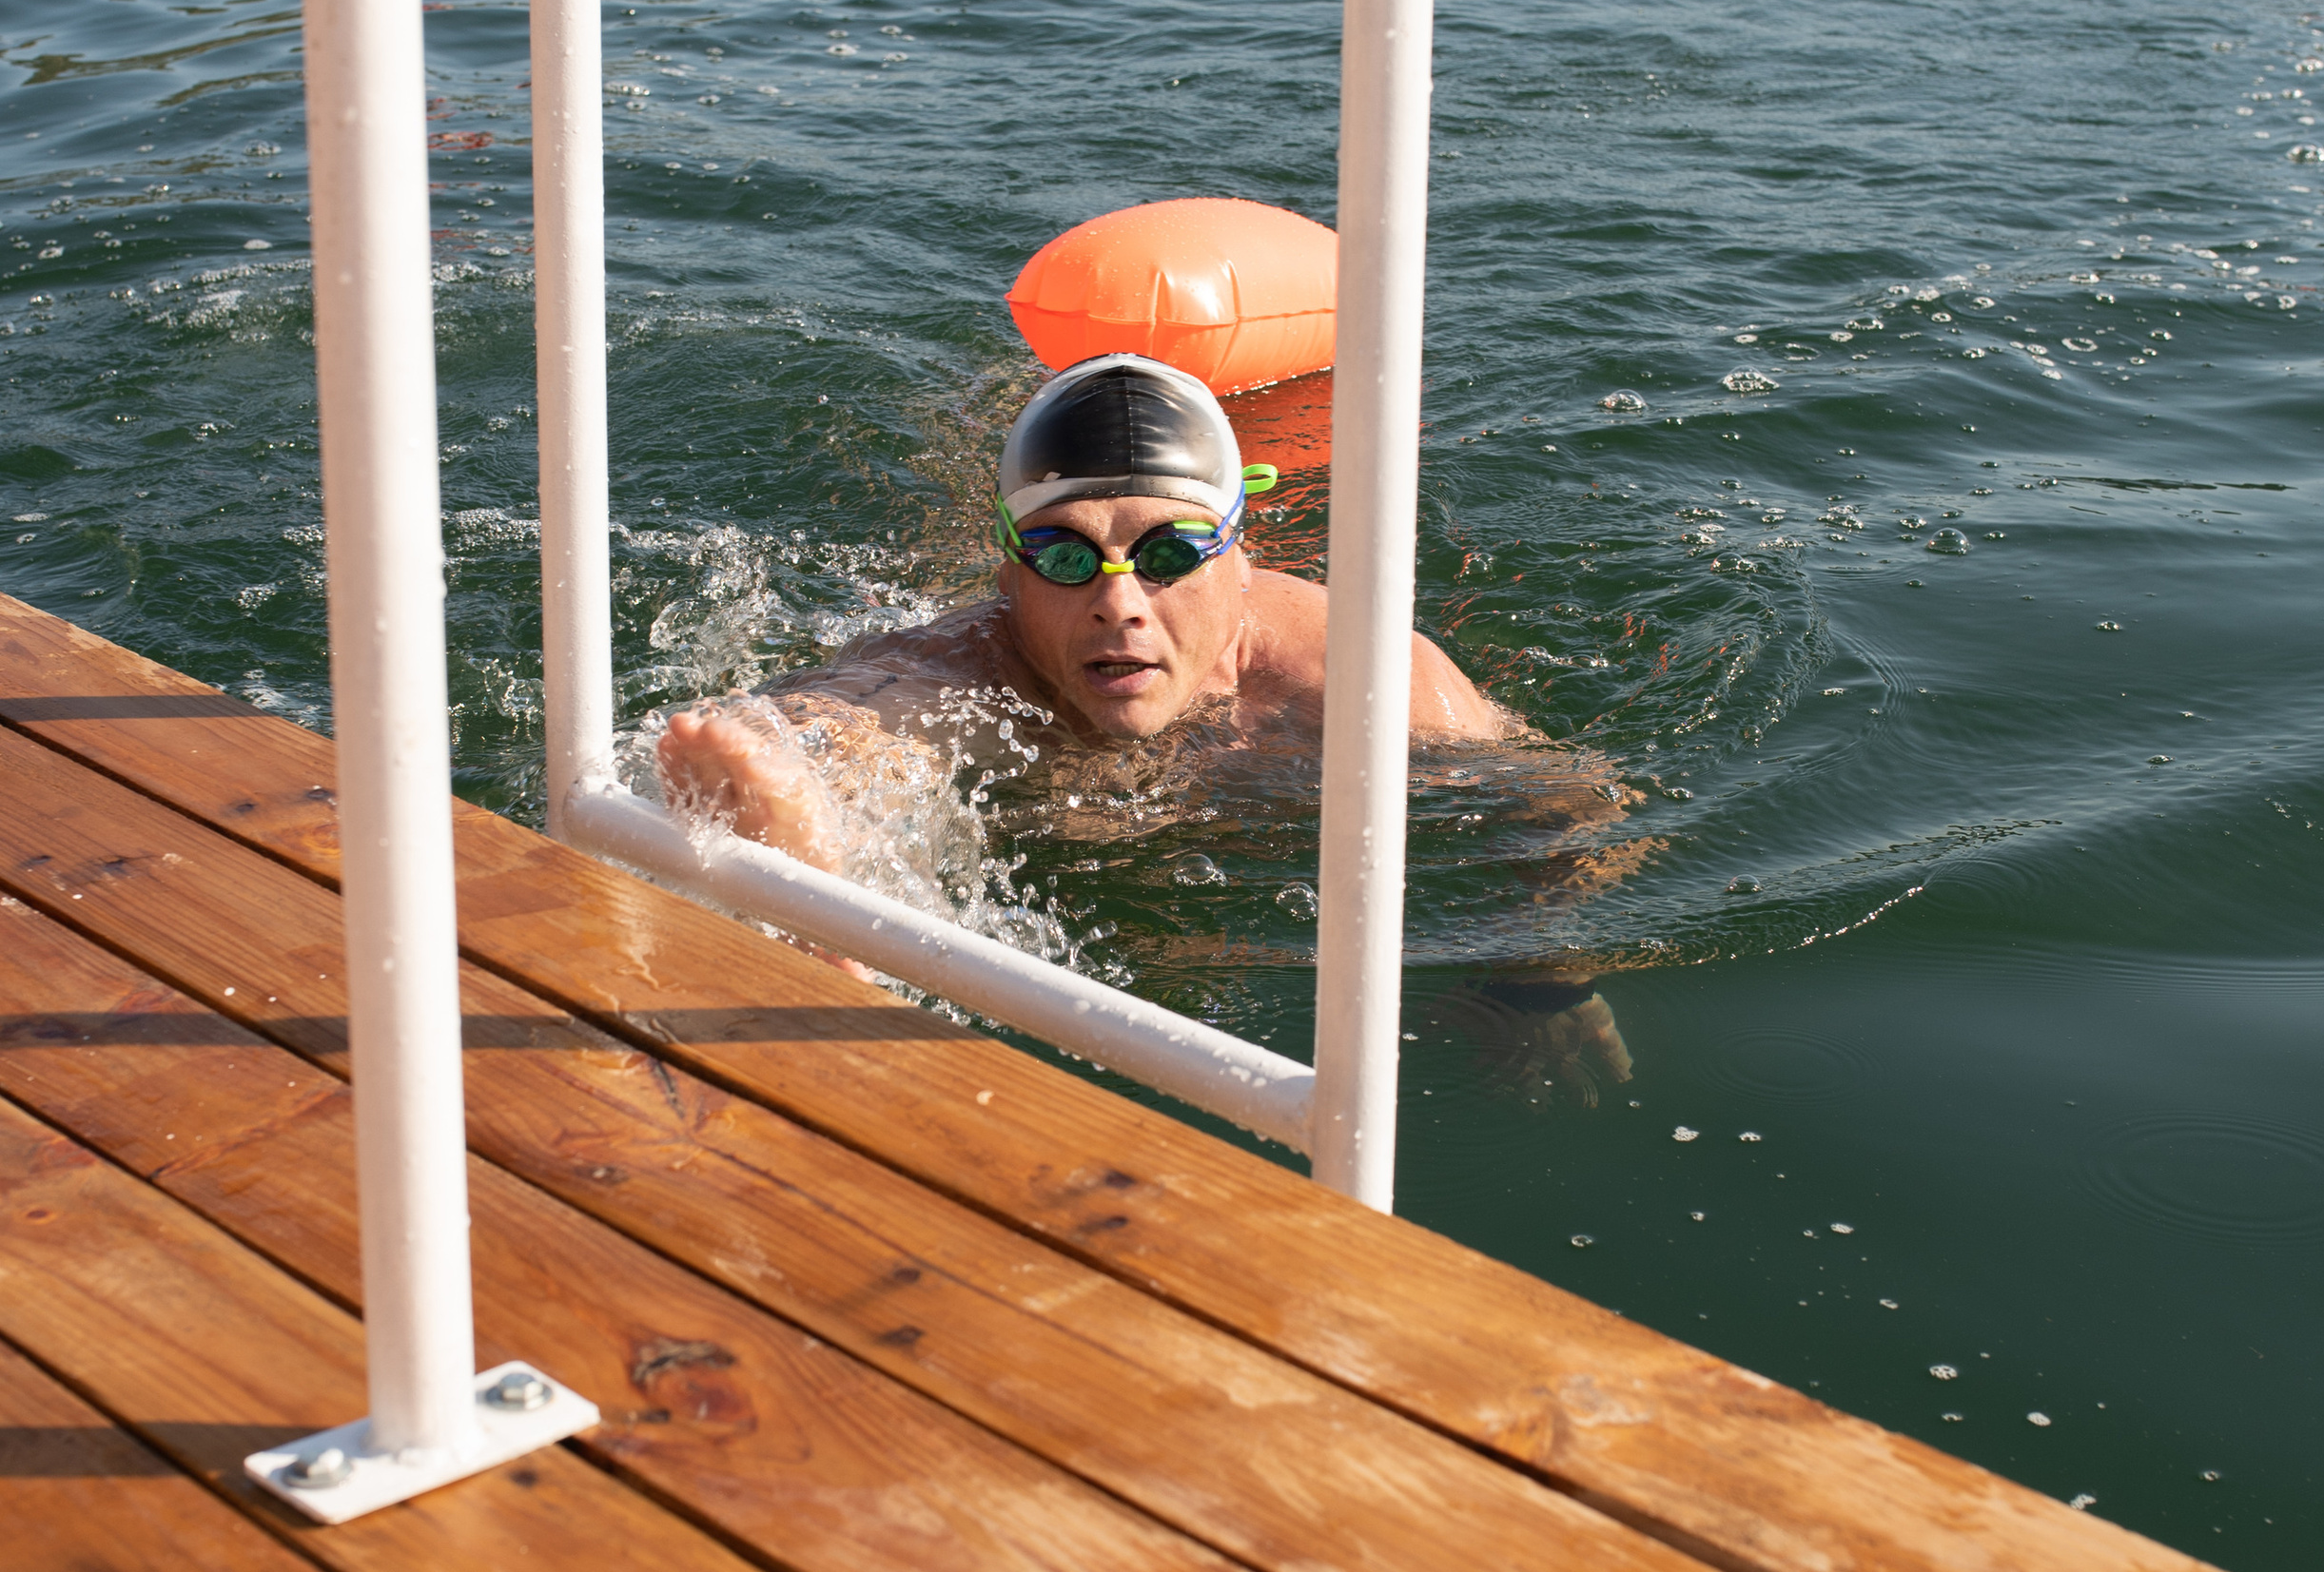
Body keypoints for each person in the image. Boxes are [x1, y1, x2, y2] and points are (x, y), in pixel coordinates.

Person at [659, 353, 1634, 1100]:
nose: (1121, 603)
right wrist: (794, 779)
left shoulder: (1357, 677)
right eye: (1064, 556)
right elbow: (856, 713)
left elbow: (1570, 798)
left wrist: (1543, 978)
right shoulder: (967, 664)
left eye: (1167, 553)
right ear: (1005, 575)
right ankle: (817, 889)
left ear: (1239, 564)